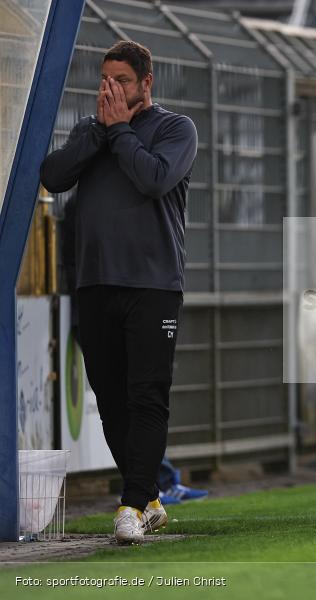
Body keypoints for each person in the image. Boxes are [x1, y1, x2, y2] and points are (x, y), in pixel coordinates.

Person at [40, 40, 198, 545]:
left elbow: (153, 179)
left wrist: (120, 131)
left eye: (122, 81)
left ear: (146, 84)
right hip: (93, 282)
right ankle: (149, 498)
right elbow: (53, 174)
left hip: (153, 285)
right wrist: (100, 133)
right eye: (105, 80)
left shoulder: (175, 129)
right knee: (110, 399)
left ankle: (130, 505)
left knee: (146, 394)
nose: (110, 89)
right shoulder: (91, 131)